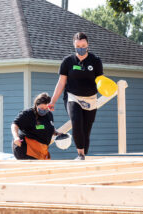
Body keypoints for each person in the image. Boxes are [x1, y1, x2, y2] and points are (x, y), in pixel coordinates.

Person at [48, 32, 103, 160]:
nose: (81, 48)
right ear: (74, 45)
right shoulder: (68, 61)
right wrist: (53, 101)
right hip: (73, 97)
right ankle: (80, 154)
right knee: (76, 121)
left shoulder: (95, 61)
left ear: (88, 45)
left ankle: (84, 154)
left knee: (86, 129)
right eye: (78, 46)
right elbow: (61, 83)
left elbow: (100, 80)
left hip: (90, 99)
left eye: (83, 45)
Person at [11, 93, 60, 160]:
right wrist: (16, 137)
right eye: (42, 108)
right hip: (26, 150)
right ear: (36, 105)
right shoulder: (28, 114)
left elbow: (48, 127)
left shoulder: (49, 115)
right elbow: (14, 125)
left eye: (46, 108)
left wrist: (56, 133)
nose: (44, 110)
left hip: (41, 151)